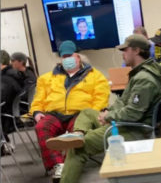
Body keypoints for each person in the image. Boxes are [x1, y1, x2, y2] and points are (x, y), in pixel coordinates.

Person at [45, 34, 161, 183]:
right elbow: (123, 101)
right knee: (87, 112)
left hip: (132, 130)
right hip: (125, 123)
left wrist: (109, 117)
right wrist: (108, 112)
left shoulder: (144, 79)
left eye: (125, 50)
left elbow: (133, 114)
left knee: (78, 148)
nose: (122, 54)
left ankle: (74, 151)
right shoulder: (141, 72)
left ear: (136, 51)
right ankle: (77, 134)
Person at [29, 40, 110, 180]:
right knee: (41, 126)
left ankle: (68, 164)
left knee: (77, 132)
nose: (67, 60)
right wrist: (36, 112)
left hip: (80, 114)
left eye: (70, 56)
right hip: (54, 114)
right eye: (64, 57)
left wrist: (90, 115)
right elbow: (38, 99)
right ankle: (57, 165)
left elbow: (101, 98)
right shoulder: (46, 78)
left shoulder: (95, 76)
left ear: (78, 57)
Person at [1, 50, 24, 155]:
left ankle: (4, 143)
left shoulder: (5, 79)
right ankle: (4, 143)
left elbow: (2, 99)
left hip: (7, 117)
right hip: (11, 112)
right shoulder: (12, 74)